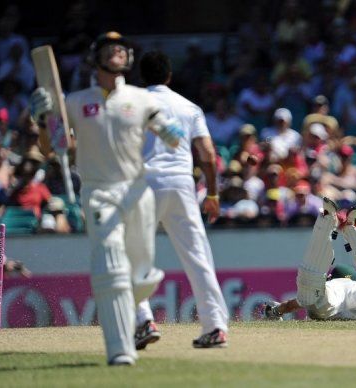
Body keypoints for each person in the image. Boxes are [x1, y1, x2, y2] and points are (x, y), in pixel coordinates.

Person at [30, 32, 183, 366]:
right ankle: (120, 349)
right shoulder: (75, 101)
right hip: (99, 191)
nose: (116, 49)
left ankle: (133, 308)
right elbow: (50, 148)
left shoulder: (142, 99)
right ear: (94, 57)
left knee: (142, 273)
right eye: (108, 46)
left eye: (121, 46)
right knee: (110, 266)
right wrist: (43, 121)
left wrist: (175, 128)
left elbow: (173, 138)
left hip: (137, 191)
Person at [135, 50, 229, 349]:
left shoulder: (131, 103)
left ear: (142, 76)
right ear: (169, 76)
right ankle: (215, 326)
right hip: (181, 184)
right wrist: (212, 194)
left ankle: (142, 321)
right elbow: (208, 156)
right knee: (198, 256)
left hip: (143, 184)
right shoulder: (189, 107)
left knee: (133, 255)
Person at [264, 198, 356, 321]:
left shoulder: (329, 285)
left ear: (330, 277)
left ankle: (326, 221)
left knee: (311, 292)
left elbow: (299, 302)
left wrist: (277, 310)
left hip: (328, 309)